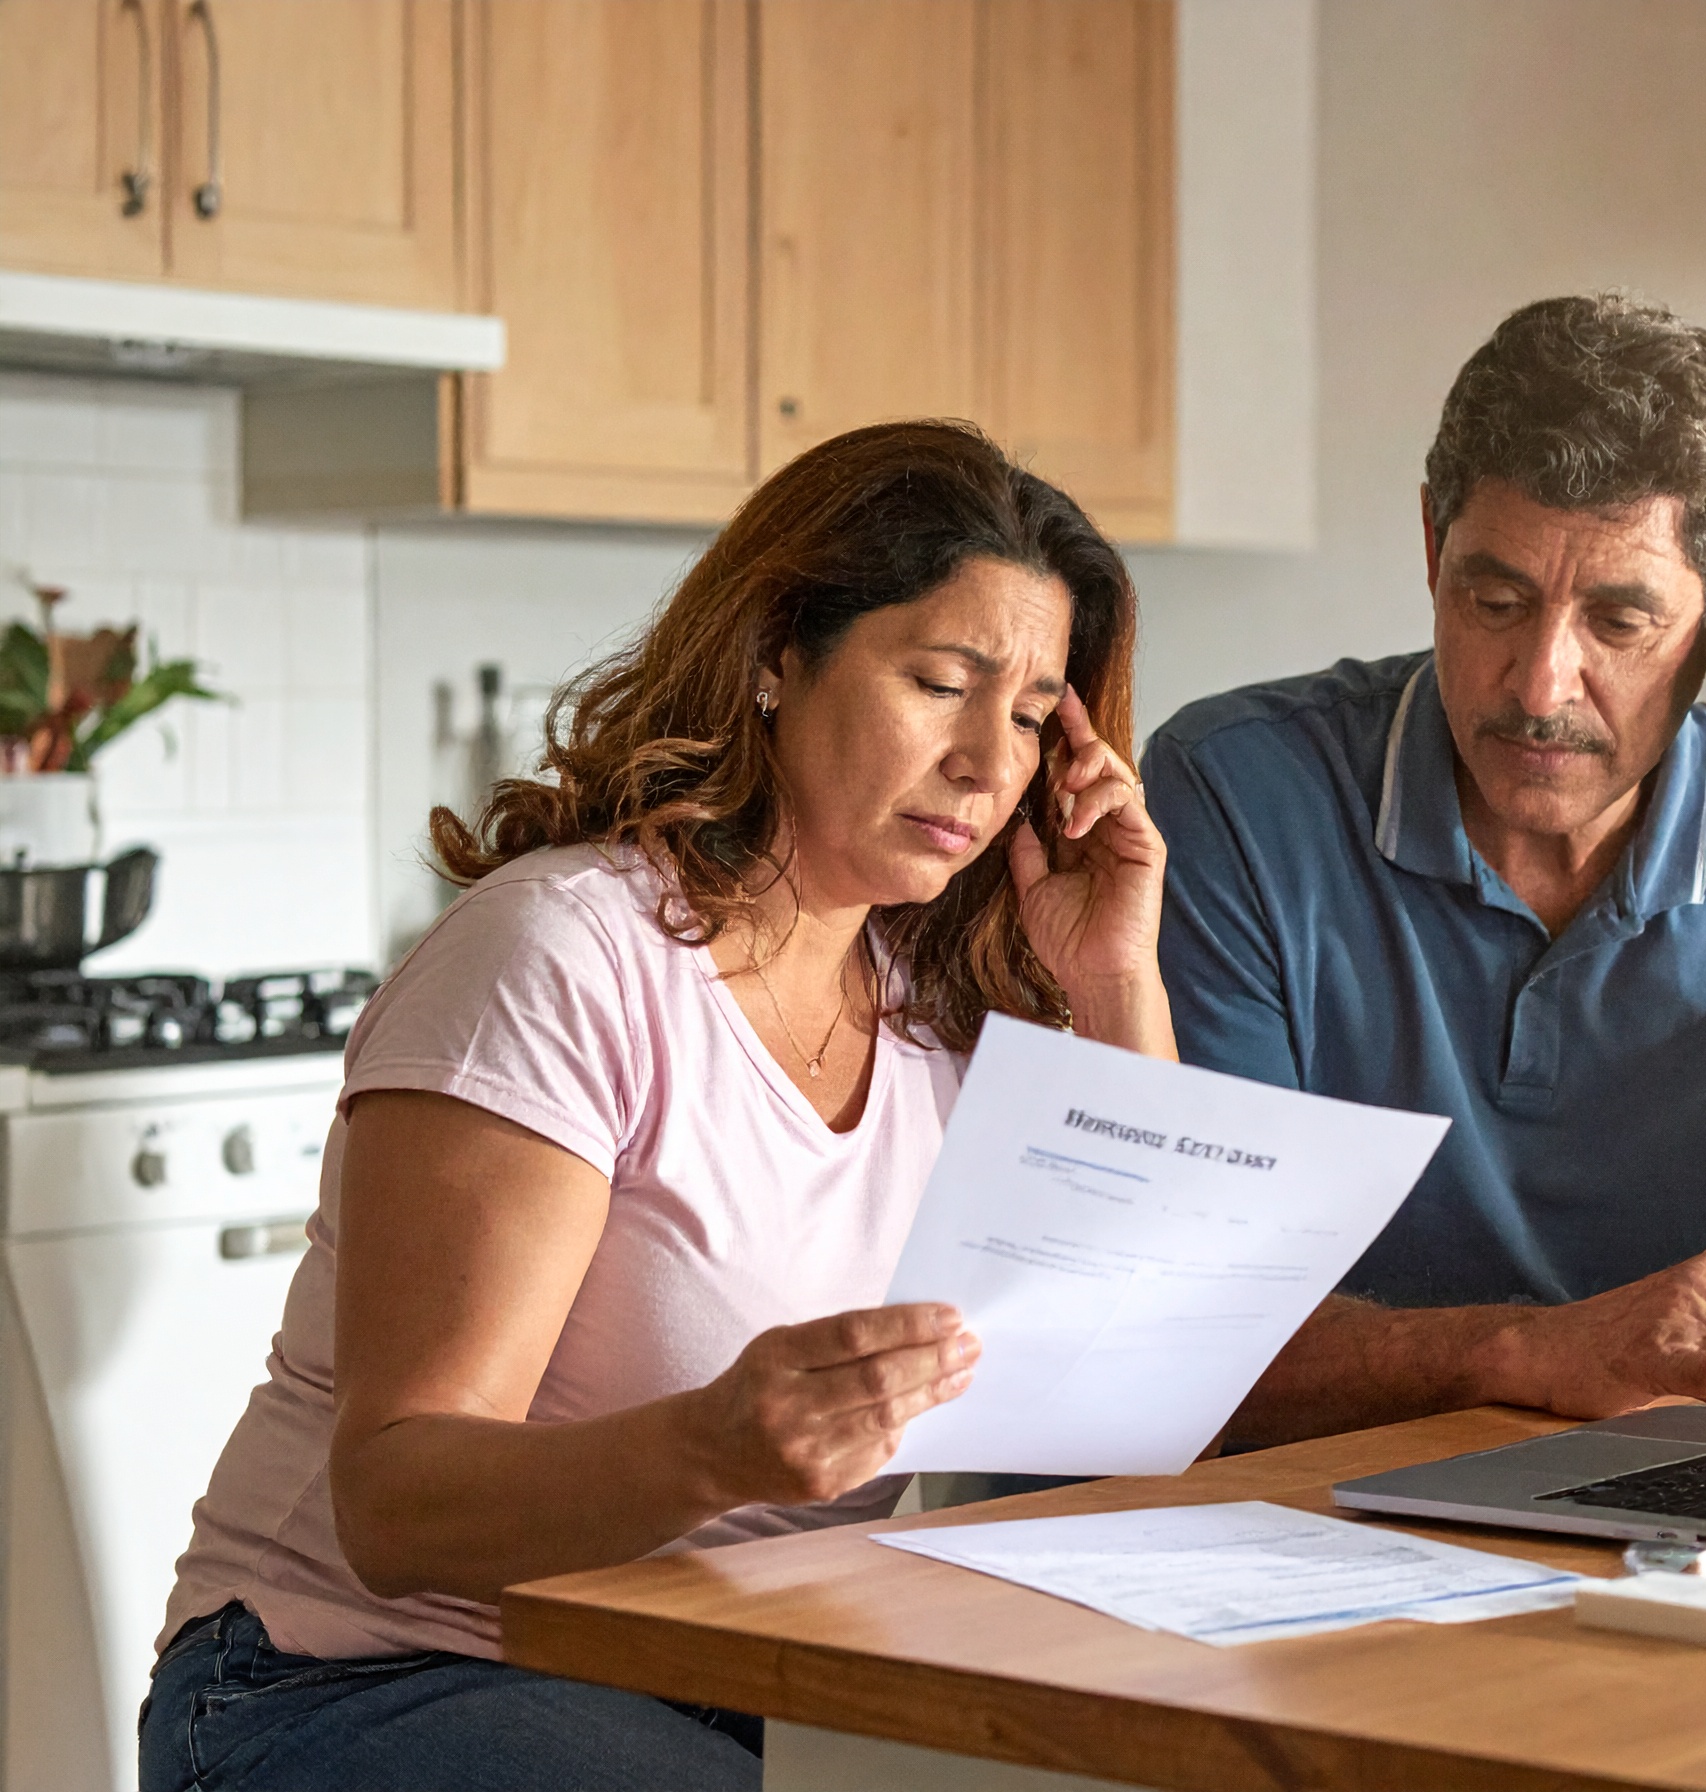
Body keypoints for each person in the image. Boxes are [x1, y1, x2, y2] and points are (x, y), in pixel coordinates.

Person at [143, 421, 1174, 1792]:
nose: (992, 761)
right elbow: (394, 1502)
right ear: (774, 656)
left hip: (735, 1678)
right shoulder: (564, 955)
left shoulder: (938, 1006)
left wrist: (1113, 979)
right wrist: (715, 1446)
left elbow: (1139, 1369)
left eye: (1036, 716)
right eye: (942, 683)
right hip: (361, 1674)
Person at [1144, 293, 1706, 1450]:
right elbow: (1185, 1330)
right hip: (1279, 1503)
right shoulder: (1235, 796)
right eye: (1495, 601)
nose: (1540, 684)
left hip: (1608, 1510)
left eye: (1619, 622)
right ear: (1430, 544)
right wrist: (1533, 1351)